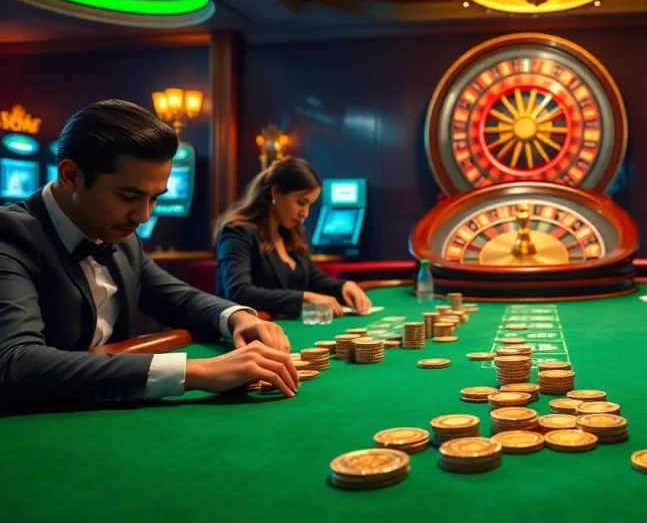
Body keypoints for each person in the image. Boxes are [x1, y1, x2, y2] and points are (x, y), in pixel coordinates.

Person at [0, 100, 298, 413]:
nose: (143, 216)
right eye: (128, 196)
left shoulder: (124, 240)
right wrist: (195, 372)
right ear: (72, 175)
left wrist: (238, 317)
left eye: (154, 198)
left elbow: (180, 299)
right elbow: (14, 362)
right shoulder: (11, 234)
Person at [214, 157, 372, 319]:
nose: (305, 213)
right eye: (301, 202)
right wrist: (305, 298)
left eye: (309, 205)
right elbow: (238, 292)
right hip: (248, 335)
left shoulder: (291, 234)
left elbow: (314, 279)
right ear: (275, 192)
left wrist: (343, 286)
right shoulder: (237, 232)